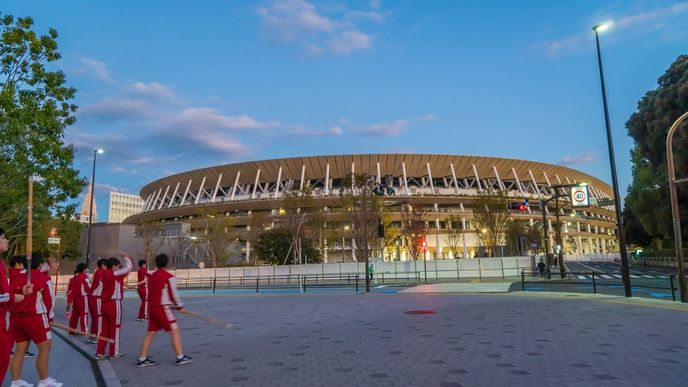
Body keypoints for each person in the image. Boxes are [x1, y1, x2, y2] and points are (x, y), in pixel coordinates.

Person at [9, 252, 62, 387]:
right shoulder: (43, 279)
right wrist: (50, 318)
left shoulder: (17, 277)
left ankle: (15, 382)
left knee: (20, 350)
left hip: (17, 318)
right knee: (45, 348)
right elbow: (49, 301)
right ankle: (44, 380)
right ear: (39, 264)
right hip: (36, 317)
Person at [137, 253, 192, 368]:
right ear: (166, 263)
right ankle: (180, 357)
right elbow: (174, 295)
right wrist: (180, 306)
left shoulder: (151, 277)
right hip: (163, 309)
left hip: (152, 309)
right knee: (174, 331)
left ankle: (142, 359)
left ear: (156, 263)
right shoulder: (169, 277)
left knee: (150, 333)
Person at [0, 229, 30, 386]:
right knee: (3, 358)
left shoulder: (1, 264)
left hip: (3, 318)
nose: (6, 241)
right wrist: (12, 297)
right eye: (3, 237)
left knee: (4, 357)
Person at [95, 254, 132, 360]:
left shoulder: (104, 274)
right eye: (117, 266)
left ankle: (100, 352)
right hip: (114, 304)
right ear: (114, 266)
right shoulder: (114, 274)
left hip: (105, 304)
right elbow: (128, 268)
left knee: (104, 329)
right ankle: (113, 352)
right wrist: (126, 257)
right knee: (114, 328)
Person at [87, 258, 107, 344]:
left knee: (95, 318)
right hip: (96, 297)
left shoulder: (97, 272)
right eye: (106, 265)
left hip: (92, 297)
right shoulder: (102, 272)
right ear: (103, 265)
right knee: (99, 317)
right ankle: (98, 336)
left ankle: (93, 335)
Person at [67, 264, 90, 335]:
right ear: (84, 270)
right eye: (86, 269)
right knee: (84, 314)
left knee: (74, 315)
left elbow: (71, 290)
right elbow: (88, 289)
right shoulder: (85, 277)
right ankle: (84, 330)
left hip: (75, 299)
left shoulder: (75, 278)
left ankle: (72, 330)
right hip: (82, 298)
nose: (87, 270)